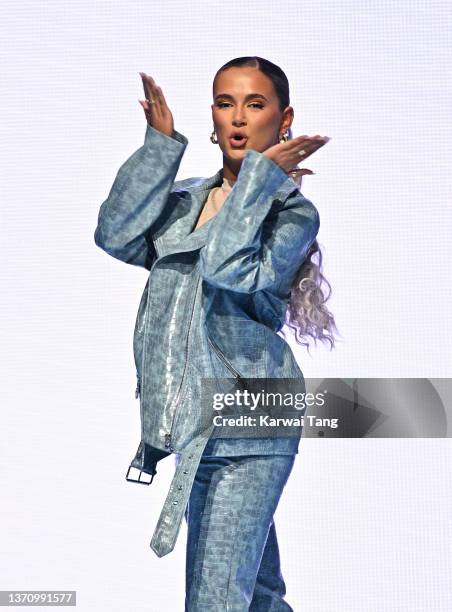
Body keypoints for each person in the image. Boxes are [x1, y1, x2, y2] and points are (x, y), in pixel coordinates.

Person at [94, 55, 337, 611]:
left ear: (284, 118)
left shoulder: (291, 213)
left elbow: (229, 267)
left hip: (253, 416)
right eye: (226, 103)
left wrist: (257, 182)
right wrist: (159, 149)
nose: (238, 118)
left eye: (255, 104)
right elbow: (116, 235)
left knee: (216, 600)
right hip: (199, 420)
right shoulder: (185, 202)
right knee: (254, 597)